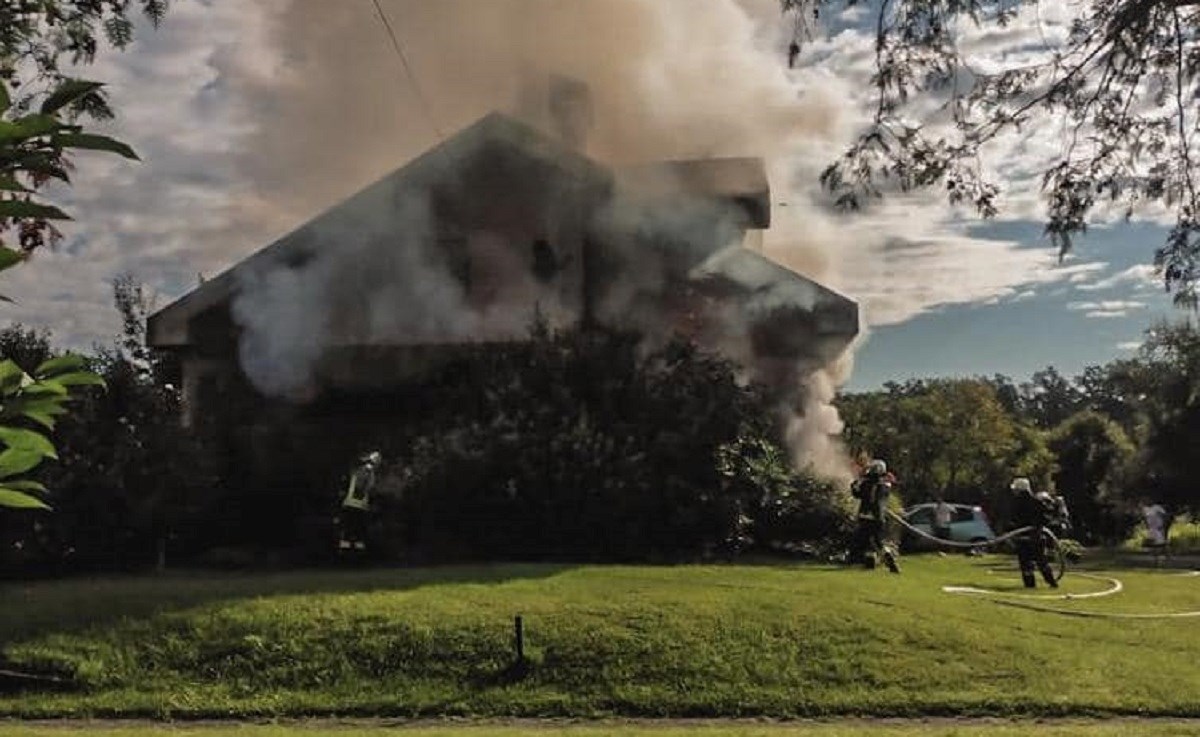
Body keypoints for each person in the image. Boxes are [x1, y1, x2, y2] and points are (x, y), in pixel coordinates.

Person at [850, 459, 900, 574]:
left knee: (866, 540)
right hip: (879, 518)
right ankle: (883, 558)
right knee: (878, 541)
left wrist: (854, 484)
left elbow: (857, 494)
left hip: (866, 515)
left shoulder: (867, 483)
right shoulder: (886, 485)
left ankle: (871, 561)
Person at [1010, 477, 1057, 589]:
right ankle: (1052, 582)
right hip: (1037, 537)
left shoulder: (1016, 503)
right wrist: (1038, 527)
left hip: (1023, 538)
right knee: (1042, 561)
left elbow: (1013, 520)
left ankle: (1030, 585)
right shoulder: (1037, 502)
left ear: (1019, 489)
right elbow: (1047, 518)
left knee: (1026, 564)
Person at [337, 451, 381, 553]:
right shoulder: (364, 473)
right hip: (357, 506)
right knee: (356, 531)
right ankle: (352, 555)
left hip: (352, 505)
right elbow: (364, 487)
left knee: (351, 531)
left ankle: (349, 554)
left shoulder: (357, 472)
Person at [1142, 500, 1170, 565]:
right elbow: (1145, 518)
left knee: (1160, 544)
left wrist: (1163, 525)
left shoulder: (1157, 507)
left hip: (1158, 528)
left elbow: (1164, 516)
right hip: (1151, 529)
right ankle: (1155, 559)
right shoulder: (1145, 509)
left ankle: (1166, 557)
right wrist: (1146, 526)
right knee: (1152, 544)